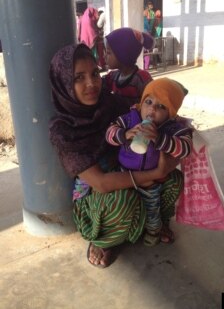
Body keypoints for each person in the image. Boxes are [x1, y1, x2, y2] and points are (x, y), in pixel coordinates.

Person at [49, 43, 183, 268]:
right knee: (123, 200)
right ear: (63, 82)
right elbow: (100, 183)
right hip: (97, 198)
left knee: (174, 180)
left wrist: (178, 137)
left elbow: (154, 111)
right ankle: (102, 240)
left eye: (94, 73)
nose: (91, 83)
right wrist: (156, 172)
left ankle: (154, 223)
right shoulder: (64, 130)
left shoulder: (114, 103)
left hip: (132, 173)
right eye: (78, 78)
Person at [106, 78, 192, 246]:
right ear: (141, 102)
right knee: (125, 206)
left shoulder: (172, 128)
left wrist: (160, 139)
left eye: (161, 106)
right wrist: (124, 134)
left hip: (151, 183)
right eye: (149, 101)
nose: (152, 109)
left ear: (171, 113)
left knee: (153, 210)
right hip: (125, 175)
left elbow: (186, 148)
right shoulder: (131, 118)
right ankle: (123, 232)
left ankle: (154, 231)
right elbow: (109, 132)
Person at [103, 27, 154, 108]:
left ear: (123, 55)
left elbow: (153, 101)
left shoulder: (142, 79)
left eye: (108, 52)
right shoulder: (112, 77)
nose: (104, 56)